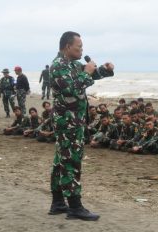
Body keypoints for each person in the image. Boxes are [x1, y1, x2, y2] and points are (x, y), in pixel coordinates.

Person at [49, 31, 114, 221]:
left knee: (61, 160)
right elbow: (72, 87)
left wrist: (104, 69)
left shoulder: (72, 65)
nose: (81, 50)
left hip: (73, 120)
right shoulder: (58, 66)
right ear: (68, 47)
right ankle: (75, 207)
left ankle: (58, 202)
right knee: (72, 161)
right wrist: (86, 72)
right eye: (79, 47)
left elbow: (90, 76)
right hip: (67, 121)